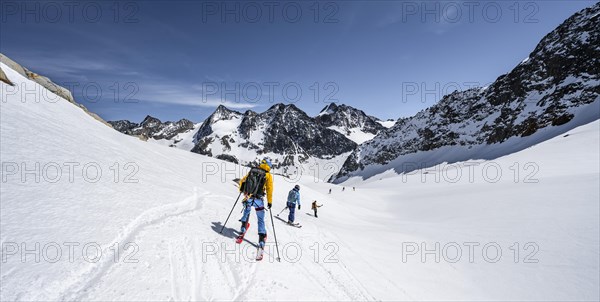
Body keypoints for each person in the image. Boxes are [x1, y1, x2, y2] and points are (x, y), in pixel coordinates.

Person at [238, 158, 274, 250]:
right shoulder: (268, 175)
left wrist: (242, 191)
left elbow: (242, 181)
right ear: (269, 166)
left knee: (246, 211)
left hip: (248, 197)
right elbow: (270, 189)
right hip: (258, 200)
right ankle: (262, 238)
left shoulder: (253, 170)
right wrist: (270, 202)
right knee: (260, 218)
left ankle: (243, 228)